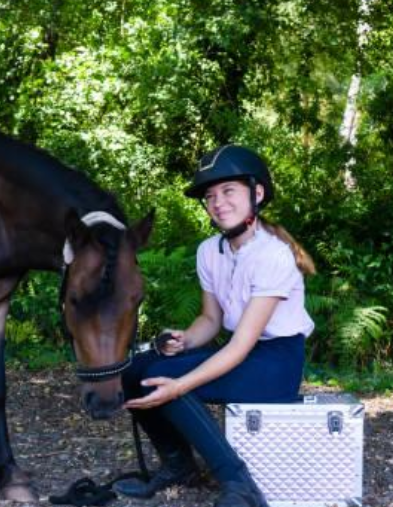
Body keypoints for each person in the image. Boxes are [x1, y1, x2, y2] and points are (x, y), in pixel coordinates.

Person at [114, 145, 316, 507]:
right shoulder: (210, 250)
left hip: (276, 362)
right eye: (209, 196)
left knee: (173, 385)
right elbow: (211, 320)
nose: (217, 202)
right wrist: (184, 339)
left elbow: (239, 347)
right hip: (239, 352)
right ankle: (178, 465)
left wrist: (180, 384)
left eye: (228, 191)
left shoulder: (273, 255)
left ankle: (239, 484)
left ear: (256, 194)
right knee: (135, 371)